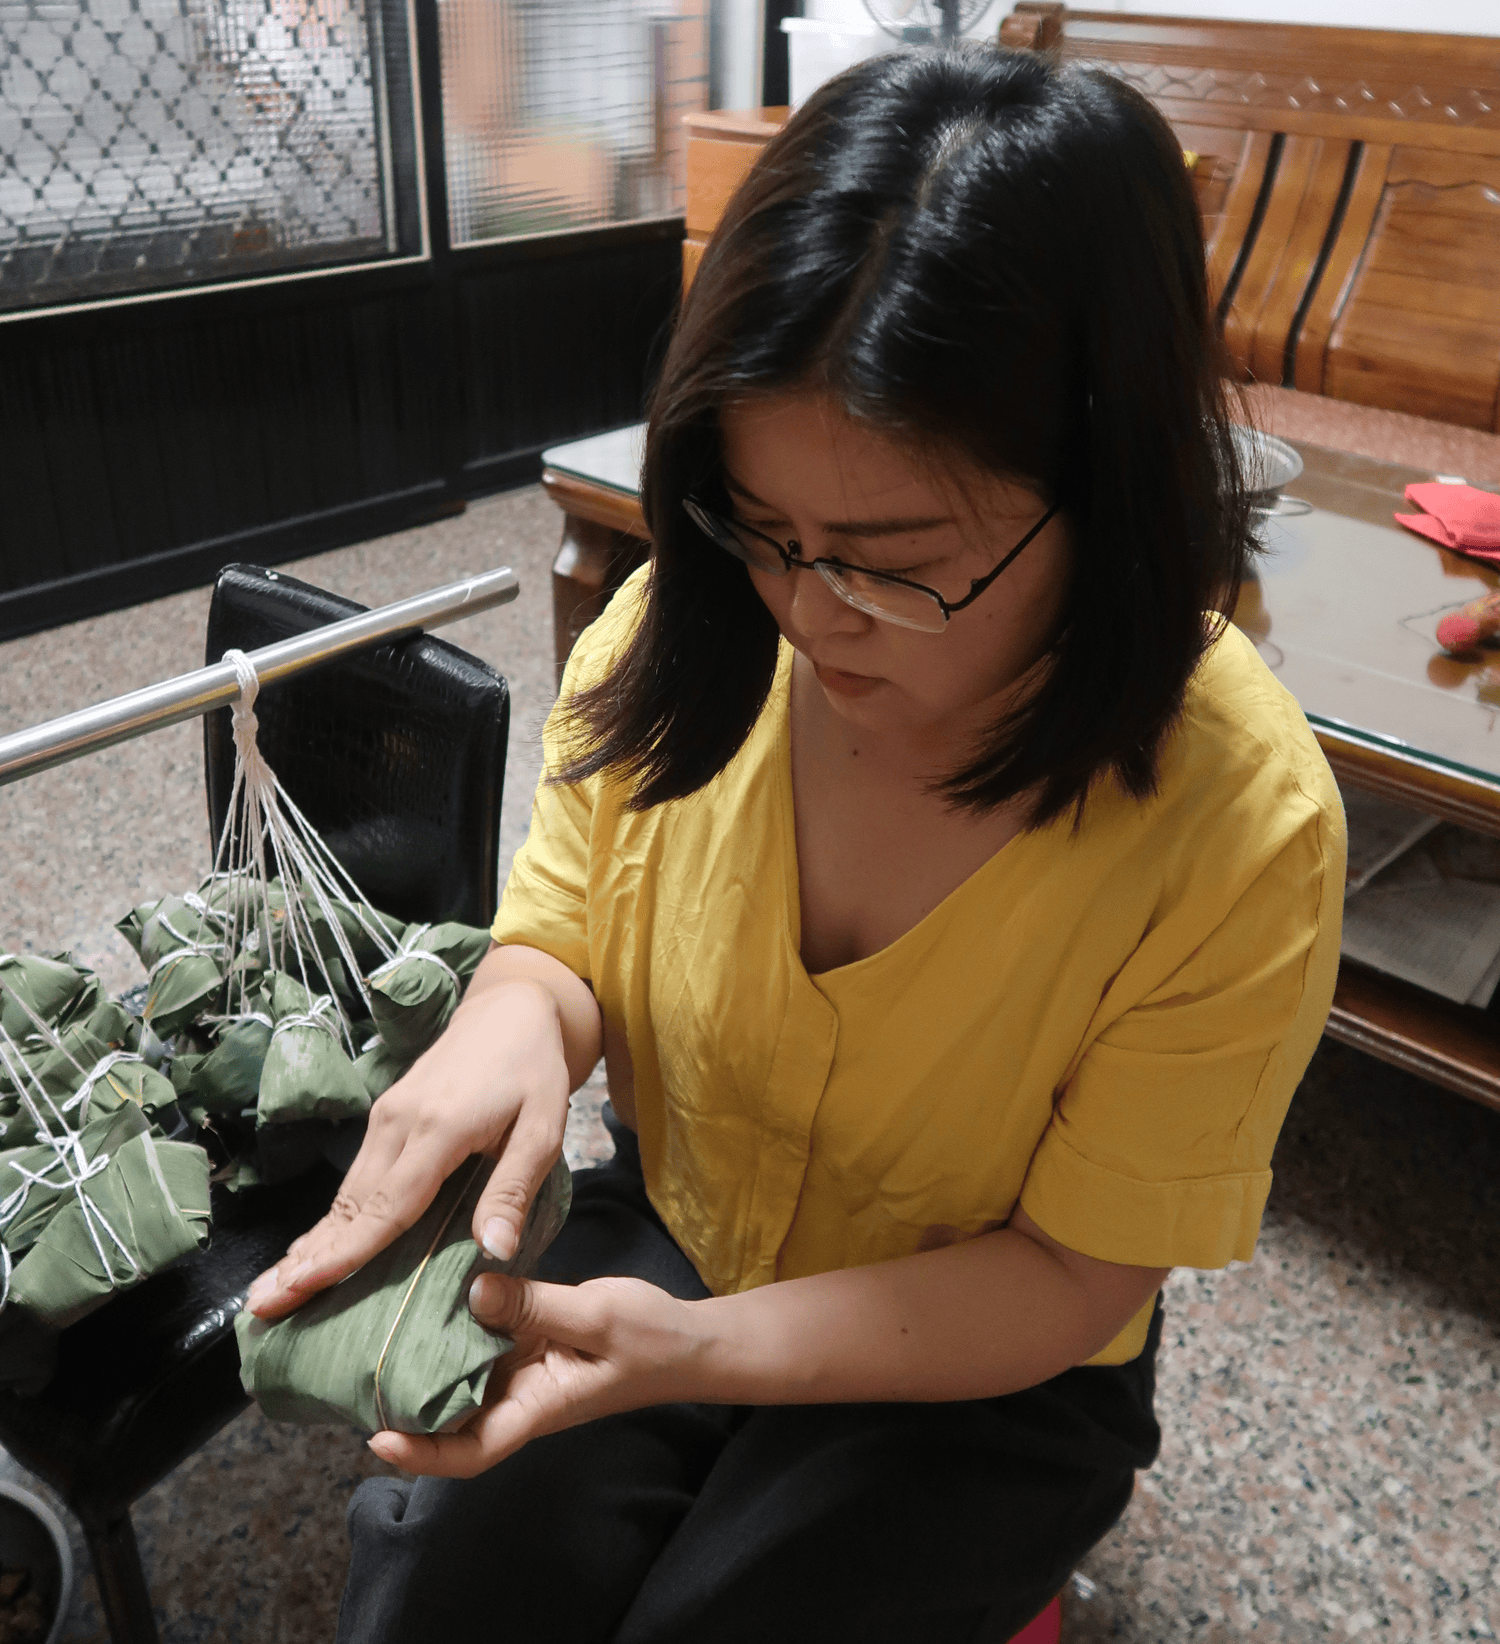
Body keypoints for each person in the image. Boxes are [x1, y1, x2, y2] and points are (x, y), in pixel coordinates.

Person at [247, 42, 1344, 1644]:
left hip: (988, 1356)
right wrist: (511, 1024)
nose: (811, 614)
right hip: (684, 1229)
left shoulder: (1237, 824)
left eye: (901, 563)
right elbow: (563, 931)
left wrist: (698, 1355)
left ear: (1110, 493)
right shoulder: (678, 634)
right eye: (763, 529)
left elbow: (1068, 1280)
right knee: (434, 1582)